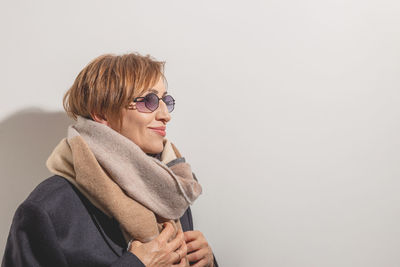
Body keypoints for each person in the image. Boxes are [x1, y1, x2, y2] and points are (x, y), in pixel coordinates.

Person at [2, 53, 218, 267]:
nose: (165, 115)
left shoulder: (170, 188)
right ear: (102, 114)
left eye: (166, 101)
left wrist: (209, 263)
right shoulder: (48, 209)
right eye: (150, 101)